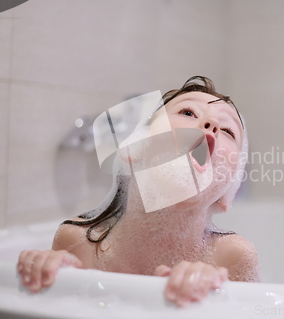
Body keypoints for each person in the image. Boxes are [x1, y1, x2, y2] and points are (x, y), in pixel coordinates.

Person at [17, 76, 260, 308]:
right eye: (188, 112)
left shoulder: (232, 260)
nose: (212, 125)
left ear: (228, 191)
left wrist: (216, 303)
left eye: (228, 131)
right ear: (133, 149)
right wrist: (45, 276)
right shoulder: (76, 242)